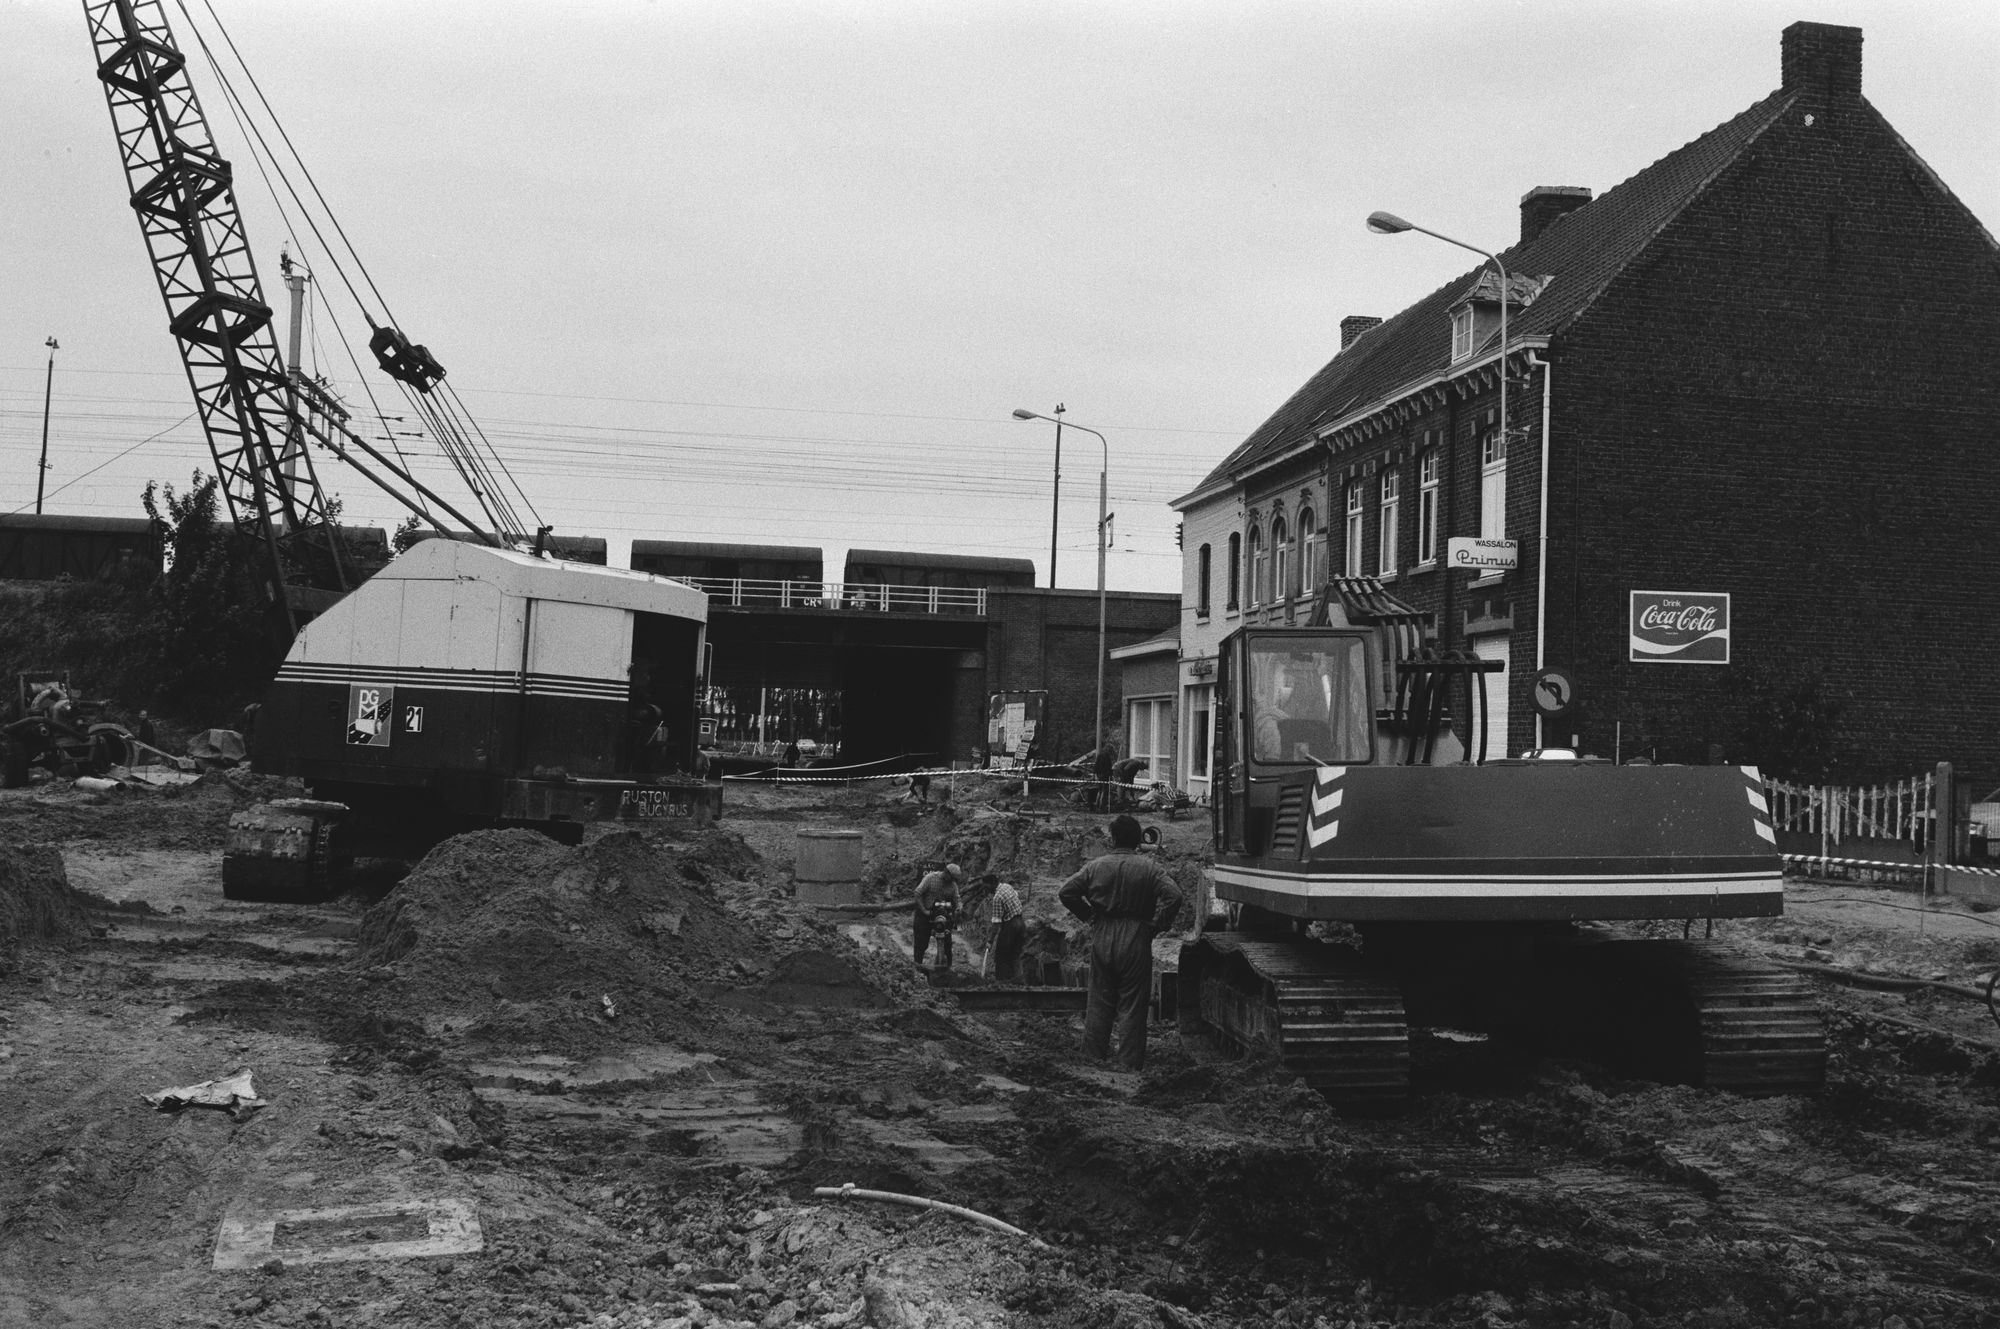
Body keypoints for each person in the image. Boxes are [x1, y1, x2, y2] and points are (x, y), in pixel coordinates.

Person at [1059, 814, 1185, 1071]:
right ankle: (1128, 1065)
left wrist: (1090, 916)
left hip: (1103, 933)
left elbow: (1066, 892)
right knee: (1133, 1005)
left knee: (1099, 1001)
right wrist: (1157, 925)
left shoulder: (1095, 866)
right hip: (1136, 935)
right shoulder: (1149, 868)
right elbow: (1174, 896)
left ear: (1113, 838)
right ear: (1139, 840)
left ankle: (1092, 1059)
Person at [912, 862, 962, 971]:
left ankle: (947, 969)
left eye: (954, 879)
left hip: (942, 915)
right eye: (952, 878)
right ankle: (917, 968)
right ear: (946, 873)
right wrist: (924, 910)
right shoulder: (930, 878)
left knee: (947, 944)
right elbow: (917, 893)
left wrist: (958, 908)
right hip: (926, 914)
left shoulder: (953, 885)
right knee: (921, 944)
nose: (952, 881)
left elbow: (957, 899)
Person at [984, 872, 1026, 982]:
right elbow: (1016, 897)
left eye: (987, 887)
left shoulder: (997, 898)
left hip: (1011, 925)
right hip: (1021, 923)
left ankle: (1001, 983)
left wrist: (990, 940)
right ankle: (1018, 981)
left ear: (993, 883)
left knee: (1001, 956)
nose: (986, 890)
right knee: (1015, 954)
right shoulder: (1007, 886)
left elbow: (996, 923)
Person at [1089, 744, 1114, 812]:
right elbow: (1109, 767)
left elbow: (1096, 765)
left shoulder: (1100, 755)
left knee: (1100, 790)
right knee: (1104, 791)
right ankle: (1102, 806)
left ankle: (1097, 804)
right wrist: (1111, 775)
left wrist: (1095, 774)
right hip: (1105, 775)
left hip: (1099, 775)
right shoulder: (1107, 757)